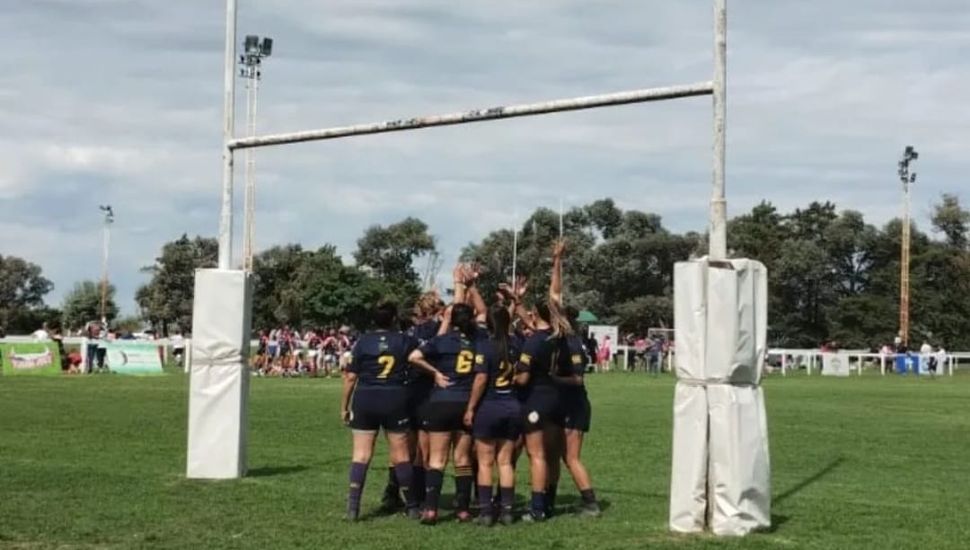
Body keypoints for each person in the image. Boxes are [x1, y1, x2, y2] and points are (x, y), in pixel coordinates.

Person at [340, 302, 420, 521]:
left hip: (366, 398)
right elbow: (419, 359)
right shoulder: (405, 340)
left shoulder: (363, 342)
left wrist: (344, 407)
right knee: (401, 455)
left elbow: (350, 377)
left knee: (361, 455)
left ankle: (353, 507)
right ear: (394, 319)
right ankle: (412, 507)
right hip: (394, 398)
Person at [408, 302, 479, 525]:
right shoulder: (478, 342)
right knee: (463, 458)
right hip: (465, 402)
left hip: (441, 401)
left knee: (437, 459)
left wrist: (436, 373)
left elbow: (414, 357)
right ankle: (463, 510)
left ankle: (430, 510)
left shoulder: (441, 340)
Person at [547, 240, 602, 518]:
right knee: (555, 456)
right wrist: (556, 261)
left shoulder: (572, 342)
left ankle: (591, 503)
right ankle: (549, 500)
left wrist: (552, 379)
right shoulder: (561, 337)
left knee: (570, 457)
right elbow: (555, 294)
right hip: (561, 404)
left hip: (575, 404)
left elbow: (578, 381)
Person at [464, 304, 522, 527]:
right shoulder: (516, 344)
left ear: (488, 323)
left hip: (489, 405)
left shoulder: (485, 346)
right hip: (512, 405)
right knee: (505, 462)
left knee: (486, 462)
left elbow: (480, 379)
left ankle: (487, 512)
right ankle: (507, 511)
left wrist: (470, 408)